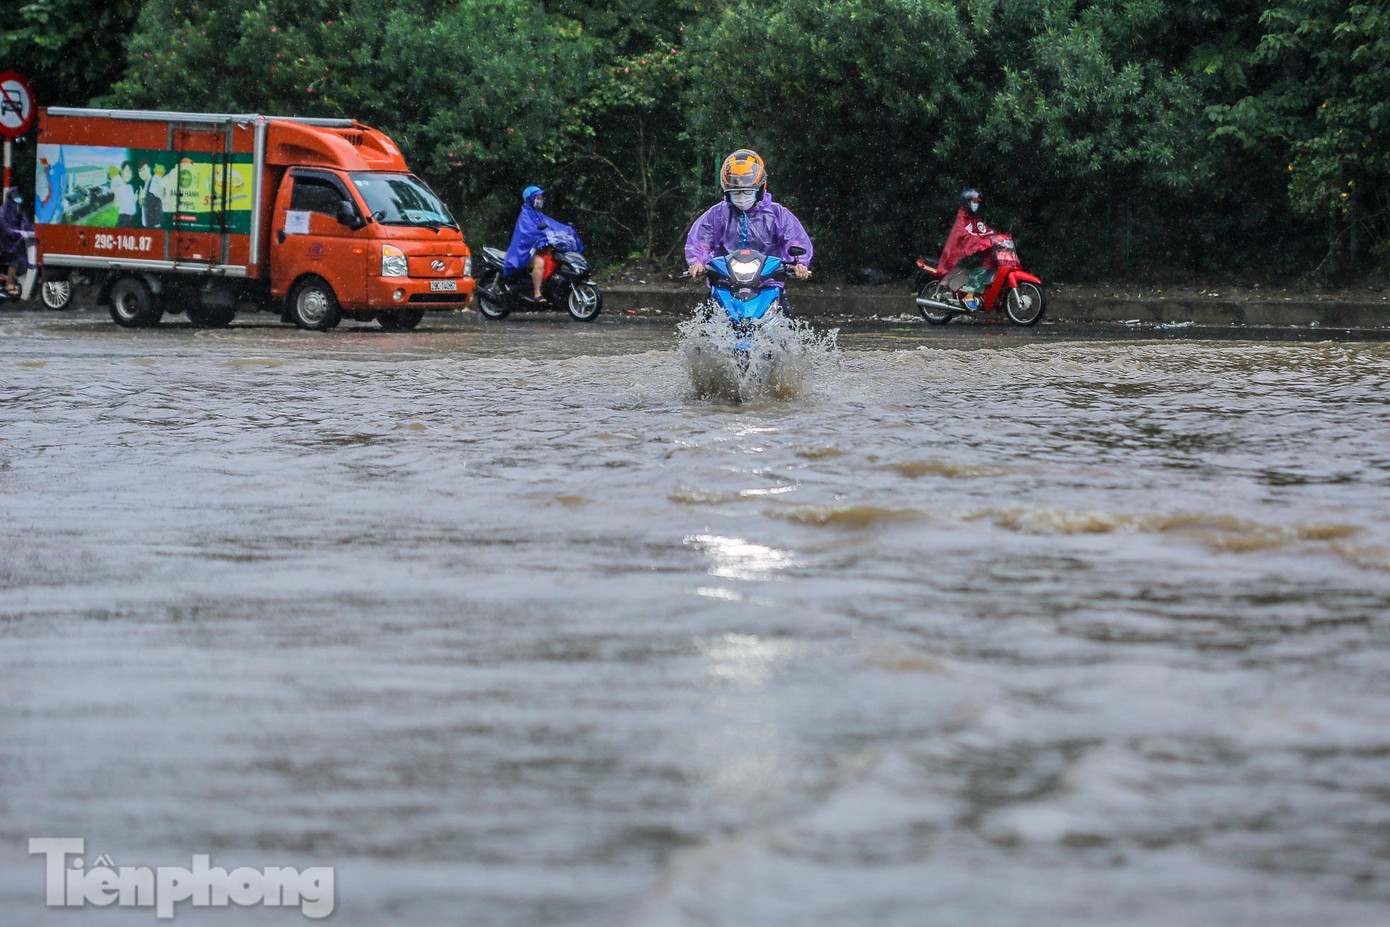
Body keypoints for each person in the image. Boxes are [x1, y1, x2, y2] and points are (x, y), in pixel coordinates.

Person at [685, 149, 812, 282]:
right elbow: (699, 241)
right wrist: (697, 262)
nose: (742, 197)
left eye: (747, 192)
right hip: (725, 284)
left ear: (761, 189)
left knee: (784, 304)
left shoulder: (778, 214)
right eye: (736, 193)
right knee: (706, 304)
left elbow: (796, 240)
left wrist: (800, 264)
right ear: (727, 192)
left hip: (768, 284)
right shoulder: (716, 215)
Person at [503, 185, 583, 303]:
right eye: (538, 197)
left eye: (541, 197)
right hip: (523, 252)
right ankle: (537, 293)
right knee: (539, 262)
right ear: (530, 199)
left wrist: (565, 230)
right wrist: (544, 238)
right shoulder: (526, 215)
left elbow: (551, 225)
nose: (540, 200)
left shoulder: (538, 214)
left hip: (535, 250)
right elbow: (530, 233)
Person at [937, 188, 996, 310]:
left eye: (977, 203)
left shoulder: (974, 217)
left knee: (989, 261)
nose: (976, 205)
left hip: (971, 253)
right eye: (974, 202)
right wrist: (983, 241)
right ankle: (969, 295)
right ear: (966, 203)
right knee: (981, 268)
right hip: (960, 255)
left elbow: (984, 230)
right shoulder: (962, 218)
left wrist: (997, 237)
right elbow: (966, 236)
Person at [1, 187, 35, 297]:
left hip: (15, 242)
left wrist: (34, 230)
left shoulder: (17, 210)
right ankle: (9, 283)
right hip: (4, 243)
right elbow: (6, 229)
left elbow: (26, 223)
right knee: (15, 258)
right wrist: (20, 233)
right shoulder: (3, 211)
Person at [110, 161, 139, 228]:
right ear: (122, 171)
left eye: (130, 173)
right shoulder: (118, 186)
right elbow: (115, 206)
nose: (128, 174)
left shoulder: (130, 187)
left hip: (132, 219)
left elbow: (129, 203)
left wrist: (134, 199)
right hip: (123, 220)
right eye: (127, 171)